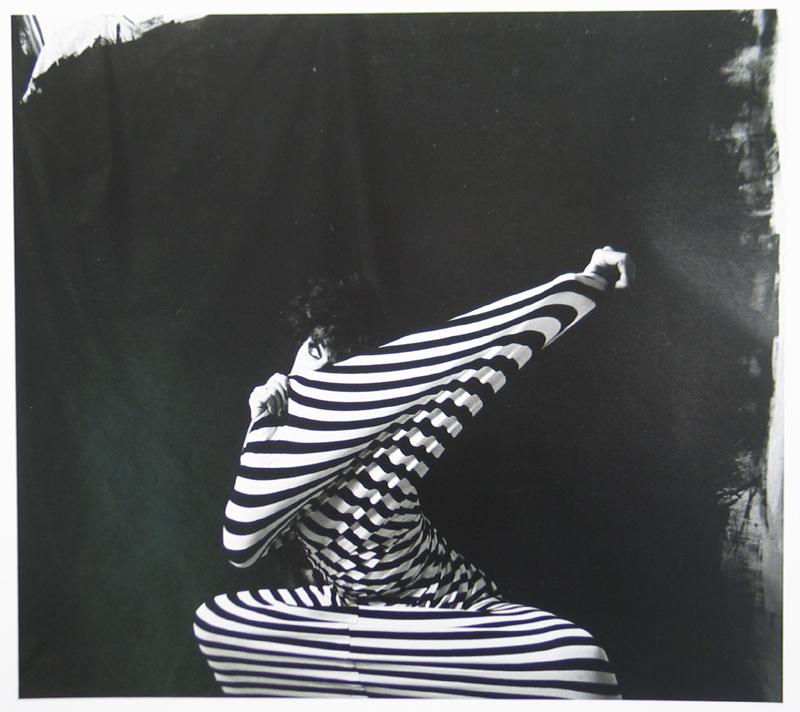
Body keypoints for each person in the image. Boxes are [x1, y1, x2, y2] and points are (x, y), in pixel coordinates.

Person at [194, 246, 634, 698]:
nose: (315, 369)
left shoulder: (386, 434)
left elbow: (478, 347)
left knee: (577, 660)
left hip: (450, 607)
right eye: (312, 348)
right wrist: (261, 423)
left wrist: (588, 282)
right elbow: (244, 543)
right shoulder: (286, 440)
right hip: (362, 616)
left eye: (337, 361)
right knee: (219, 621)